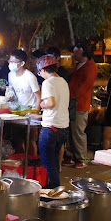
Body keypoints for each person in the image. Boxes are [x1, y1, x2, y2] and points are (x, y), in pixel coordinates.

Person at [36, 55, 69, 188]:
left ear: (43, 70)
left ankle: (53, 188)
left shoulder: (48, 82)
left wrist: (42, 105)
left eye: (39, 72)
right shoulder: (63, 81)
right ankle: (55, 188)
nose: (40, 75)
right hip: (63, 127)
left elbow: (51, 102)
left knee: (48, 161)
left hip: (51, 128)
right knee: (54, 161)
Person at [63, 43, 98, 168]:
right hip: (72, 101)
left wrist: (70, 94)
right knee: (71, 131)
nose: (74, 54)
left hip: (80, 103)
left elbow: (84, 87)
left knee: (78, 131)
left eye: (76, 52)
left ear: (82, 51)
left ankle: (81, 157)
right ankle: (72, 155)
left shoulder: (90, 67)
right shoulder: (78, 65)